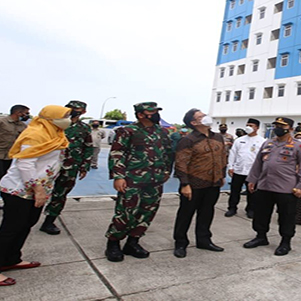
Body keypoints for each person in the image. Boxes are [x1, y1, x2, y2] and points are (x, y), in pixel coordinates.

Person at [0, 105, 71, 287]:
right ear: (50, 118)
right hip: (20, 190)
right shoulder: (35, 134)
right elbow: (25, 164)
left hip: (38, 190)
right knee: (10, 229)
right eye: (64, 116)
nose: (67, 120)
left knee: (26, 224)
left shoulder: (56, 134)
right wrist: (38, 189)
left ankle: (11, 259)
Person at [104, 102, 174, 262]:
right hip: (132, 179)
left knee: (147, 212)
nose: (156, 114)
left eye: (156, 111)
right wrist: (118, 176)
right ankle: (113, 243)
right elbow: (117, 153)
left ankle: (133, 242)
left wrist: (166, 171)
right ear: (141, 114)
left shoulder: (162, 132)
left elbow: (168, 153)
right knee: (126, 212)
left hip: (155, 180)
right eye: (151, 112)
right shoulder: (127, 131)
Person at [244, 117, 301, 256]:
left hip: (286, 187)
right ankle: (261, 237)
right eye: (276, 125)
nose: (277, 128)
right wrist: (252, 180)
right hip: (265, 185)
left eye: (281, 126)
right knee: (261, 213)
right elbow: (258, 163)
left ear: (290, 129)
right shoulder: (268, 143)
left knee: (286, 216)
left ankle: (285, 242)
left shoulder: (298, 146)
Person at [173, 109, 227, 258]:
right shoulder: (188, 140)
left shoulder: (218, 137)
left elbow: (223, 156)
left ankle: (204, 240)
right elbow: (181, 163)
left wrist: (222, 175)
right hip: (193, 185)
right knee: (185, 214)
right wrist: (185, 184)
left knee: (207, 213)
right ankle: (180, 242)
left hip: (213, 183)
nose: (206, 117)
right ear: (193, 122)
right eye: (201, 116)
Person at [40, 101, 95, 235]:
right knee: (38, 189)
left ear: (84, 112)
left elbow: (88, 147)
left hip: (71, 165)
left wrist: (84, 166)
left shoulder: (84, 128)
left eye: (77, 109)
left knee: (61, 193)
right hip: (49, 164)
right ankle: (27, 217)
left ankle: (49, 221)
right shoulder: (55, 123)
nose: (73, 110)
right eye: (71, 108)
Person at [226, 119, 265, 219]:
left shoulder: (262, 141)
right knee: (235, 191)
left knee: (252, 192)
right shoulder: (239, 140)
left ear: (257, 128)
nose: (248, 127)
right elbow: (233, 154)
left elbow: (263, 157)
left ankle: (250, 209)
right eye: (247, 125)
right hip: (238, 170)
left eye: (251, 125)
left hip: (252, 172)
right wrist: (231, 167)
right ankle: (232, 208)